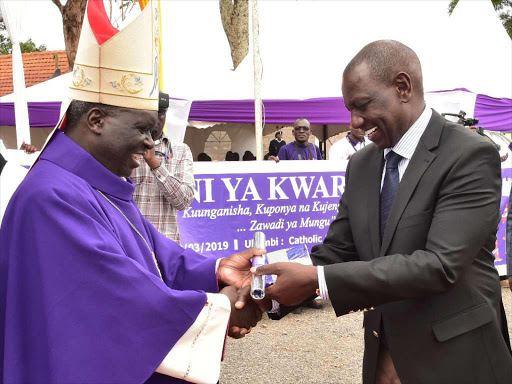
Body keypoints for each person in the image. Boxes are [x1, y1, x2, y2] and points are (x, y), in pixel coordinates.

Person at [0, 1, 265, 383]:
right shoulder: (51, 196)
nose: (149, 145)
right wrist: (222, 306)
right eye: (143, 130)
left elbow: (156, 256)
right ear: (96, 120)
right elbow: (115, 303)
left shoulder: (97, 185)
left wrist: (215, 270)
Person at [252, 40, 512, 383]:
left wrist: (319, 280)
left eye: (361, 106)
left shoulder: (469, 155)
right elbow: (338, 250)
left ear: (402, 87)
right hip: (383, 359)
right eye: (349, 109)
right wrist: (266, 286)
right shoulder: (361, 164)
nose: (355, 122)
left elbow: (439, 266)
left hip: (457, 360)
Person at [131, 91, 194, 243]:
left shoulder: (180, 150)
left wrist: (154, 163)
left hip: (166, 245)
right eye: (151, 113)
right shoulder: (125, 148)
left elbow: (183, 202)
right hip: (132, 243)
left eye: (160, 113)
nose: (155, 120)